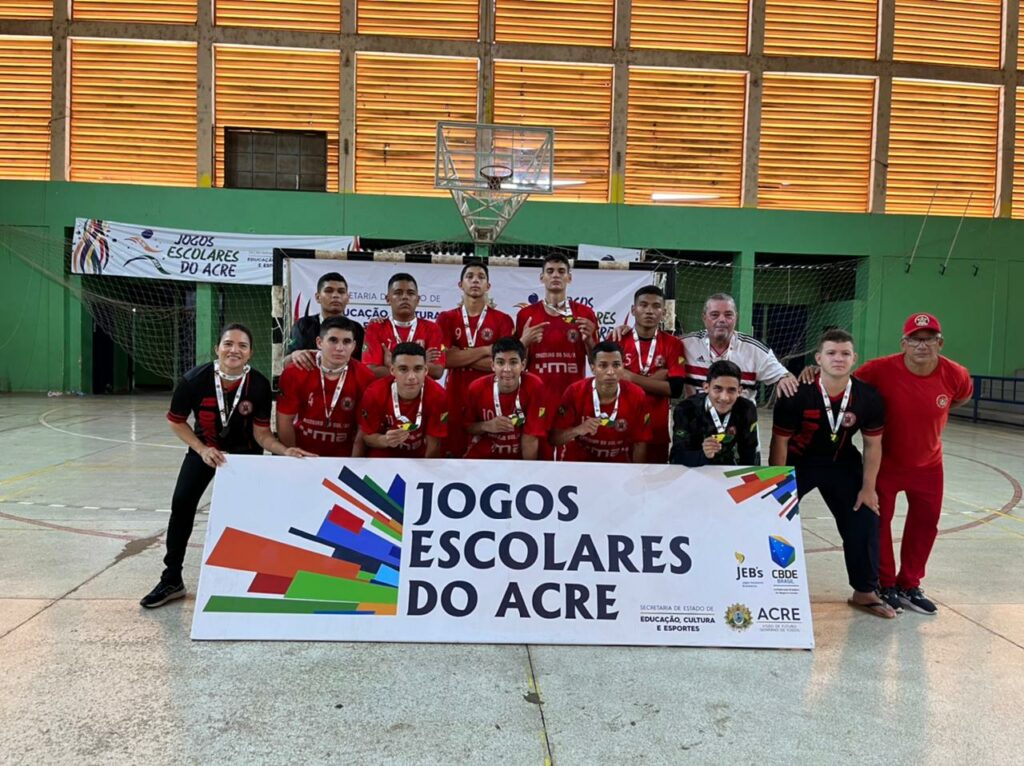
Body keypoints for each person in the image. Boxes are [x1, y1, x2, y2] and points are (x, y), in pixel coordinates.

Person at [140, 324, 315, 609]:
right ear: (217, 348)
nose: (235, 350)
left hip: (245, 456)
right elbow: (176, 421)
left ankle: (249, 579)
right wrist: (201, 449)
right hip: (205, 451)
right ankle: (172, 579)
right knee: (182, 504)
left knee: (248, 516)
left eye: (242, 346)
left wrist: (285, 450)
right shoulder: (193, 380)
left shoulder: (258, 385)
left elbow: (261, 433)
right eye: (229, 344)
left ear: (250, 353)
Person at [854, 313, 973, 616]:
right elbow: (846, 384)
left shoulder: (956, 374)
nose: (922, 345)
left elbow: (959, 398)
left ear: (940, 343)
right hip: (887, 464)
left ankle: (909, 584)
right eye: (915, 339)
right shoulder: (878, 370)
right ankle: (885, 584)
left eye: (929, 339)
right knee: (879, 523)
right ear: (903, 343)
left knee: (925, 524)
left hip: (929, 466)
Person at [769, 329, 892, 618]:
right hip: (798, 463)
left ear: (854, 358)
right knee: (770, 517)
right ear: (818, 358)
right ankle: (765, 584)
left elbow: (873, 445)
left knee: (865, 516)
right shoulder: (796, 393)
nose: (838, 358)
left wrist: (868, 488)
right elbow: (779, 442)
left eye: (845, 353)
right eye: (832, 353)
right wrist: (777, 483)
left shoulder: (868, 397)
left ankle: (865, 591)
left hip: (842, 463)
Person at [437, 260, 515, 457]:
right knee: (452, 458)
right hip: (454, 399)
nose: (475, 281)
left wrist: (461, 353)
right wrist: (487, 349)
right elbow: (445, 360)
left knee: (486, 457)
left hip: (488, 399)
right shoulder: (446, 318)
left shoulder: (503, 319)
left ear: (488, 286)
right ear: (460, 284)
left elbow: (503, 363)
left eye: (481, 277)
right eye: (469, 276)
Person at [276, 316, 376, 458]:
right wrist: (294, 458)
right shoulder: (295, 372)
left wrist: (353, 463)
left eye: (346, 342)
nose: (340, 348)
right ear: (319, 342)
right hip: (303, 455)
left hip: (344, 458)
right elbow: (285, 421)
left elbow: (362, 429)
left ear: (354, 346)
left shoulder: (365, 377)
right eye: (333, 340)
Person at [615, 285, 687, 463]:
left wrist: (631, 377)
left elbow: (676, 389)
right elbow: (610, 383)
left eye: (656, 306)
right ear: (633, 310)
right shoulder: (617, 340)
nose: (649, 311)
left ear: (663, 313)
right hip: (621, 426)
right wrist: (658, 379)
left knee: (654, 479)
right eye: (643, 305)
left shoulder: (673, 344)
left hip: (656, 430)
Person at [681, 293, 799, 399]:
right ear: (704, 318)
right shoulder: (685, 345)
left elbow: (784, 375)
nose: (721, 320)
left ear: (736, 318)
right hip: (697, 416)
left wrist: (785, 378)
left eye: (728, 315)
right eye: (714, 315)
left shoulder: (754, 350)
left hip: (741, 416)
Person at [515, 253, 599, 398]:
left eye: (561, 271)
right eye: (550, 271)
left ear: (569, 278)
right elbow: (516, 363)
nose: (555, 275)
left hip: (573, 396)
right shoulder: (525, 315)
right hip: (537, 396)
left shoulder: (585, 313)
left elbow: (596, 363)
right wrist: (523, 343)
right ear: (542, 277)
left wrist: (590, 341)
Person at [552, 341, 652, 463]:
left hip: (618, 465)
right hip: (579, 464)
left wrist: (636, 473)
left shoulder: (637, 395)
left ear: (623, 367)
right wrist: (577, 430)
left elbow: (640, 443)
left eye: (616, 365)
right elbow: (554, 439)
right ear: (593, 368)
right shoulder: (575, 392)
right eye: (603, 365)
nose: (610, 372)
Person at [463, 337, 552, 460]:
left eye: (513, 362)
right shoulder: (476, 388)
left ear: (523, 365)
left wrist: (527, 470)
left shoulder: (535, 386)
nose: (507, 369)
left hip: (520, 459)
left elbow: (530, 438)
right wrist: (486, 425)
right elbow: (468, 427)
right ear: (492, 365)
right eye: (500, 362)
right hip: (485, 460)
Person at [358, 342, 448, 458]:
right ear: (392, 370)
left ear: (426, 370)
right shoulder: (374, 393)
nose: (411, 377)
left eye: (418, 369)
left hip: (419, 459)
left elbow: (434, 445)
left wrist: (422, 469)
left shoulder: (439, 396)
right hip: (383, 458)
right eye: (403, 369)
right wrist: (385, 440)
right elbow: (367, 437)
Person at [670, 360, 759, 467]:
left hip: (728, 468)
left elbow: (748, 452)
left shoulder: (747, 409)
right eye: (718, 389)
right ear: (706, 387)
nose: (724, 397)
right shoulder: (686, 409)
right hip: (693, 468)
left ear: (739, 391)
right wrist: (703, 454)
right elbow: (677, 457)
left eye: (731, 390)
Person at [362, 273, 445, 380]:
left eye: (410, 293)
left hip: (422, 390)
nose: (405, 297)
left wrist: (392, 364)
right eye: (398, 293)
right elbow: (370, 371)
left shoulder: (432, 328)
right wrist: (421, 361)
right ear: (388, 299)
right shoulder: (376, 328)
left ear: (417, 299)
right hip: (386, 389)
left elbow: (437, 371)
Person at [285, 272, 364, 369]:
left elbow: (361, 365)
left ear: (347, 298)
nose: (335, 295)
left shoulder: (357, 329)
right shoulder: (303, 324)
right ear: (318, 297)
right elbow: (284, 363)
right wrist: (294, 355)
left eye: (341, 291)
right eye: (329, 291)